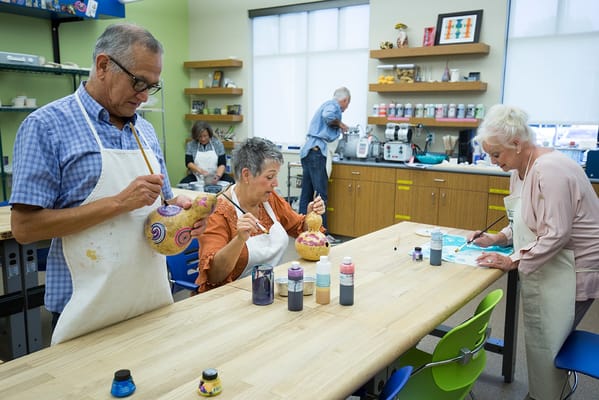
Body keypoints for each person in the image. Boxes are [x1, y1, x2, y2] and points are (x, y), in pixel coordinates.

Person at [9, 23, 207, 345]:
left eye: (152, 86)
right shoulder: (46, 127)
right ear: (103, 66)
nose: (144, 96)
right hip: (85, 308)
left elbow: (162, 207)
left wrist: (183, 219)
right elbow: (25, 228)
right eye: (138, 82)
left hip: (149, 299)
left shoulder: (145, 131)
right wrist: (118, 203)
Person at [469, 104, 599, 400]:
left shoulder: (550, 170)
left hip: (576, 268)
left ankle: (547, 396)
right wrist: (496, 238)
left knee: (553, 342)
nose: (492, 161)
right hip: (552, 261)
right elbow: (525, 222)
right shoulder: (519, 168)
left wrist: (513, 259)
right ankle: (543, 393)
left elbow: (556, 232)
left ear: (516, 143)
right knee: (543, 338)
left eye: (496, 154)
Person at [196, 137, 325, 293]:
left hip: (270, 290)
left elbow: (297, 226)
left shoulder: (269, 199)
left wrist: (312, 218)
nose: (276, 183)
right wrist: (239, 240)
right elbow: (213, 275)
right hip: (231, 298)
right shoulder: (217, 212)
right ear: (246, 175)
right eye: (270, 177)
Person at [298, 87, 351, 241]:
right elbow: (328, 117)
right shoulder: (333, 106)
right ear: (345, 100)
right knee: (321, 195)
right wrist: (341, 125)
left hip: (308, 151)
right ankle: (323, 234)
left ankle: (302, 230)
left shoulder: (325, 104)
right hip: (317, 153)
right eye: (347, 104)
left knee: (306, 194)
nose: (346, 108)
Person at [179, 121, 234, 185]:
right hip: (197, 176)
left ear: (209, 134)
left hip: (216, 176)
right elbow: (188, 163)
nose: (203, 139)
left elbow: (222, 164)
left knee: (231, 182)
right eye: (200, 136)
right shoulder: (191, 145)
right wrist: (201, 171)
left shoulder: (218, 144)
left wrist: (217, 176)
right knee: (182, 184)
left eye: (205, 136)